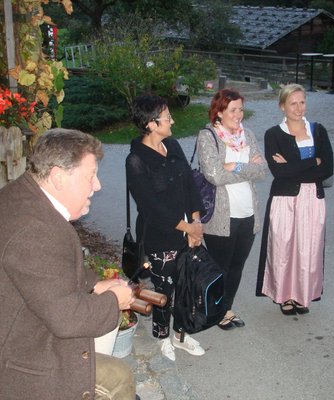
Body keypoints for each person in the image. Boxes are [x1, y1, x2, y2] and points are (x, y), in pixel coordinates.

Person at [0, 128, 140, 400]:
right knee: (119, 378)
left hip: (21, 331)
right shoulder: (38, 231)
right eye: (90, 176)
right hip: (23, 363)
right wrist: (114, 300)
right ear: (58, 177)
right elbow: (68, 319)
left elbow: (48, 269)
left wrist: (95, 283)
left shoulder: (21, 196)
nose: (97, 185)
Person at [126, 94, 205, 361]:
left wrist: (196, 222)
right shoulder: (136, 161)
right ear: (150, 123)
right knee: (165, 290)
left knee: (188, 286)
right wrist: (187, 228)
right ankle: (162, 337)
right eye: (166, 116)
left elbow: (190, 184)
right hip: (160, 237)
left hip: (187, 231)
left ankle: (181, 335)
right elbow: (151, 207)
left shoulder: (172, 145)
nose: (171, 120)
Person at [256, 83, 334, 315]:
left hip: (313, 198)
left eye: (302, 102)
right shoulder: (273, 134)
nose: (299, 108)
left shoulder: (318, 131)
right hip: (285, 200)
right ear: (282, 106)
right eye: (293, 103)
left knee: (308, 248)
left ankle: (302, 294)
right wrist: (313, 162)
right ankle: (283, 295)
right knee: (283, 247)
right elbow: (279, 173)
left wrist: (293, 166)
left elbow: (328, 167)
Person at [197, 88, 267, 330]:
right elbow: (215, 175)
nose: (239, 114)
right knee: (219, 268)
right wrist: (246, 166)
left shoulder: (247, 134)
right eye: (233, 109)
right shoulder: (209, 136)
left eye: (241, 109)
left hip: (248, 214)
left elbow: (262, 170)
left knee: (237, 266)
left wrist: (234, 166)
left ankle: (225, 308)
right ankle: (212, 311)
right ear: (219, 112)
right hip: (221, 217)